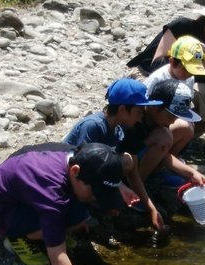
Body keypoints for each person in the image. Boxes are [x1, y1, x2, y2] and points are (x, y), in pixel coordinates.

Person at [127, 0, 205, 133]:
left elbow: (195, 76)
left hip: (181, 78)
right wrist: (191, 56)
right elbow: (157, 62)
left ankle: (173, 136)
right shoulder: (182, 26)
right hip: (147, 74)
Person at [62, 78, 167, 231]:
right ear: (123, 109)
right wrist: (119, 188)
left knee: (127, 160)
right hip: (73, 178)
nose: (140, 118)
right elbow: (84, 169)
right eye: (139, 112)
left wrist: (150, 207)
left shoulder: (119, 129)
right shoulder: (93, 126)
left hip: (97, 175)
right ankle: (86, 208)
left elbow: (133, 170)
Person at [120, 78, 205, 189]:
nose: (173, 121)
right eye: (170, 116)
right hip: (122, 163)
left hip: (138, 155)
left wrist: (192, 173)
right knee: (164, 137)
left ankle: (153, 175)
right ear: (155, 107)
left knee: (185, 128)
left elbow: (165, 156)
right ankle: (134, 187)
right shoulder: (133, 120)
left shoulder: (157, 119)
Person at [144, 36, 205, 158]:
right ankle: (157, 157)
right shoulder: (157, 79)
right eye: (186, 69)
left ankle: (168, 157)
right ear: (172, 61)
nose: (189, 74)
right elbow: (146, 108)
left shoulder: (189, 78)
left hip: (169, 119)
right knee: (183, 127)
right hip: (152, 124)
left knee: (189, 127)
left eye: (193, 70)